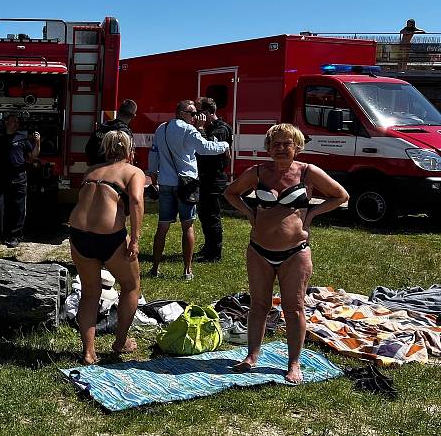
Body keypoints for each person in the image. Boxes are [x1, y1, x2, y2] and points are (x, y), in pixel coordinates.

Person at [224, 123, 348, 384]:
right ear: (268, 148)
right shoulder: (257, 172)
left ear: (297, 147)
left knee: (294, 308)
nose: (281, 148)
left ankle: (294, 363)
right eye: (276, 144)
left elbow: (340, 195)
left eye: (286, 144)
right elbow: (231, 192)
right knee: (259, 305)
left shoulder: (308, 172)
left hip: (296, 252)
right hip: (259, 251)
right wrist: (249, 212)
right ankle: (252, 357)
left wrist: (312, 213)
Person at [69, 130, 144, 364]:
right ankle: (120, 342)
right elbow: (136, 201)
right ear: (130, 151)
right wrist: (135, 239)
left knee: (90, 292)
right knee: (131, 285)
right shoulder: (133, 172)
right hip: (109, 236)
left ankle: (88, 352)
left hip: (78, 234)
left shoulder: (91, 172)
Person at [147, 100, 229, 280]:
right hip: (186, 183)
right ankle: (187, 270)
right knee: (188, 226)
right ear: (182, 113)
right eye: (192, 113)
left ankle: (154, 268)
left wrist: (153, 175)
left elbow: (153, 152)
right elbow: (206, 149)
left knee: (162, 227)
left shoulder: (162, 128)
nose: (195, 117)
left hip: (167, 182)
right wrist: (225, 146)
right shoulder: (188, 130)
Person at [0, 113, 40, 248]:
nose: (16, 123)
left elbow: (32, 157)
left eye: (17, 122)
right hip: (1, 176)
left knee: (18, 208)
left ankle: (15, 236)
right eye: (13, 121)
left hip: (19, 177)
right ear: (6, 122)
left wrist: (38, 142)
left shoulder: (23, 139)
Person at [194, 97, 233, 262]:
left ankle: (214, 253)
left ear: (207, 113)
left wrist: (201, 129)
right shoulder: (210, 128)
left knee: (212, 215)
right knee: (204, 213)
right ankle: (208, 246)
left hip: (214, 177)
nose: (196, 117)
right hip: (205, 176)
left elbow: (209, 150)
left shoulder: (220, 129)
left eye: (199, 113)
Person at [85, 99, 137, 166]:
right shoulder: (125, 133)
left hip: (96, 170)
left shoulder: (103, 127)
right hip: (114, 173)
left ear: (118, 112)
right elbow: (128, 157)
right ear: (133, 116)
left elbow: (88, 148)